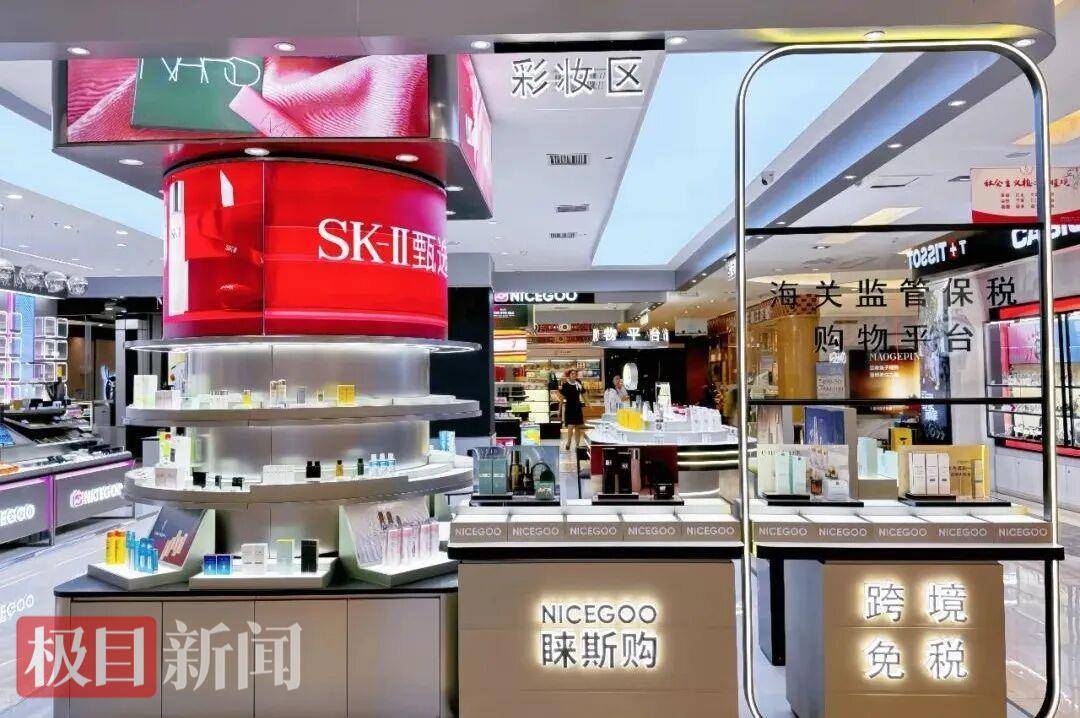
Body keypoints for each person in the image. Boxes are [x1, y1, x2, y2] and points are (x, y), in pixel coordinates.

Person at [560, 369, 587, 451]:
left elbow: (583, 394)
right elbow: (562, 398)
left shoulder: (578, 383)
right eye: (572, 374)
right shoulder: (565, 385)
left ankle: (577, 445)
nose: (574, 375)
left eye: (575, 374)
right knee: (570, 426)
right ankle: (568, 442)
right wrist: (559, 409)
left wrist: (588, 403)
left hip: (577, 407)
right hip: (569, 407)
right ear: (569, 375)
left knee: (578, 427)